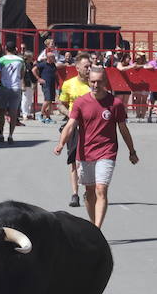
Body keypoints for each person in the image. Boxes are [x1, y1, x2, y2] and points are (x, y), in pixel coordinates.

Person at [55, 66, 139, 228]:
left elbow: (123, 129)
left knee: (101, 189)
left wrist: (132, 151)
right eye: (92, 81)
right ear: (88, 81)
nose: (95, 85)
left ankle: (97, 229)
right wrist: (61, 143)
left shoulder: (115, 104)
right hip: (85, 153)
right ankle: (93, 226)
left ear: (105, 82)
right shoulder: (81, 102)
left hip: (107, 151)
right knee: (89, 192)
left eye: (99, 82)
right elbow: (71, 125)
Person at [58, 53, 93, 207]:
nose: (89, 69)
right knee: (74, 161)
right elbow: (60, 104)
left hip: (91, 127)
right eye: (86, 66)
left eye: (90, 66)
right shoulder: (68, 84)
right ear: (77, 67)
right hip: (74, 126)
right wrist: (70, 114)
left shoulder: (95, 84)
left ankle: (88, 190)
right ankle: (74, 194)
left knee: (88, 161)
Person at [0, 41, 25, 143]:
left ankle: (0, 134)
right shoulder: (20, 60)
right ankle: (10, 135)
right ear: (15, 49)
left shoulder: (1, 60)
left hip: (4, 87)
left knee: (1, 112)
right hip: (16, 87)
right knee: (13, 113)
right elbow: (22, 75)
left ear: (5, 48)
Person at [37, 47, 60, 121]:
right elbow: (34, 69)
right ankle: (41, 114)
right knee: (47, 100)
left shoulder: (53, 65)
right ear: (48, 58)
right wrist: (39, 79)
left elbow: (55, 74)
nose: (54, 58)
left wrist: (58, 83)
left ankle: (48, 117)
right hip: (46, 84)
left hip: (52, 84)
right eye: (53, 57)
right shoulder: (43, 64)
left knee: (50, 101)